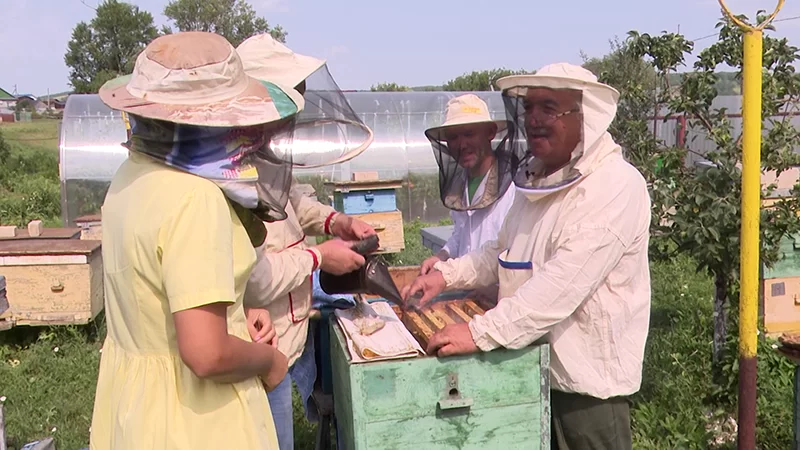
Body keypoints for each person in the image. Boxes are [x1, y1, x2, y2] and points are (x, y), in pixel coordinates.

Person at [402, 63, 652, 450]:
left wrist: (478, 332)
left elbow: (558, 288)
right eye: (529, 107)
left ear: (585, 115)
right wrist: (446, 275)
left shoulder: (613, 187)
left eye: (548, 108)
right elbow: (500, 251)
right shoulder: (537, 181)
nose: (533, 119)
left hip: (583, 394)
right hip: (524, 369)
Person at [90, 31, 304, 450]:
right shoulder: (195, 197)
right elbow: (206, 352)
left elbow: (155, 297)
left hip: (139, 411)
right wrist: (269, 361)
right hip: (196, 422)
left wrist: (236, 315)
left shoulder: (131, 176)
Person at [237, 33, 377, 449]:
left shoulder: (263, 155)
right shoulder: (231, 174)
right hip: (255, 346)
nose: (292, 113)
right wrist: (318, 258)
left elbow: (292, 199)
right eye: (287, 99)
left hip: (282, 338)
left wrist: (337, 221)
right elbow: (253, 279)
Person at [419, 94, 516, 275]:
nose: (462, 144)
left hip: (504, 288)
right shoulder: (459, 186)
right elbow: (462, 234)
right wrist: (442, 256)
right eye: (453, 137)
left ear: (490, 133)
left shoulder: (515, 188)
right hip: (466, 286)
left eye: (469, 134)